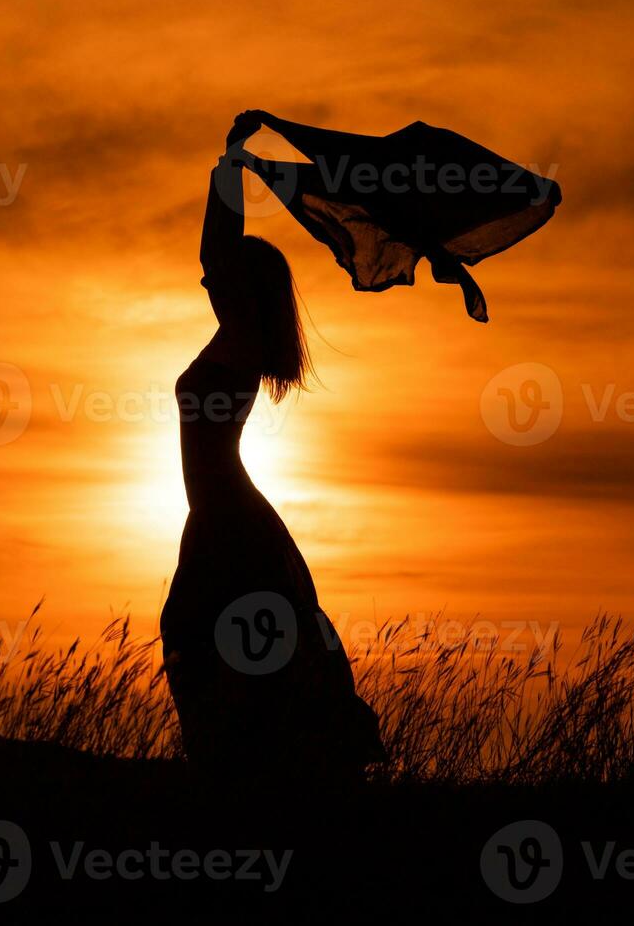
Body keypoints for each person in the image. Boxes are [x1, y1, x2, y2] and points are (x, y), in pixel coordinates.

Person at [159, 111, 386, 784]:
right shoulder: (239, 343)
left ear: (240, 286)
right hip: (226, 514)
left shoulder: (241, 340)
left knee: (209, 636)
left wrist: (229, 168)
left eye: (220, 277)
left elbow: (213, 252)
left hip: (228, 517)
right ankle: (252, 767)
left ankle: (252, 770)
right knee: (213, 636)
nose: (206, 281)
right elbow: (214, 259)